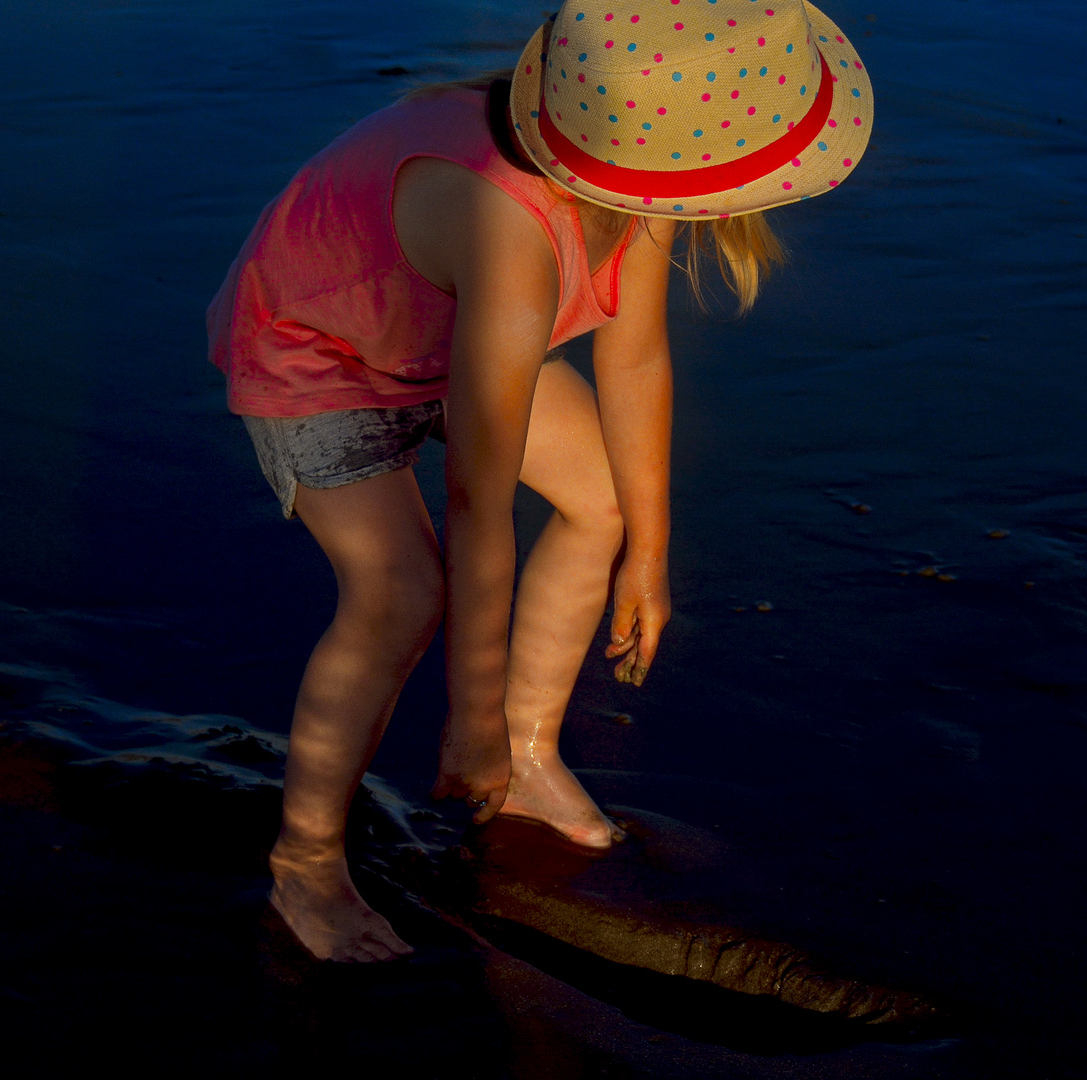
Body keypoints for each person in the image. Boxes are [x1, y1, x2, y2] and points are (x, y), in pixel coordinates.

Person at [206, 0, 872, 962]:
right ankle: (304, 863)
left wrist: (649, 549)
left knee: (598, 505)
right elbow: (478, 504)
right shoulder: (509, 229)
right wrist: (461, 721)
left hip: (446, 334)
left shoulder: (633, 183)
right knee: (400, 593)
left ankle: (525, 759)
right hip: (321, 359)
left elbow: (634, 360)